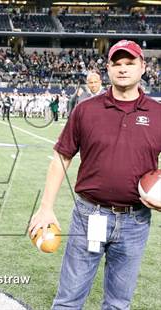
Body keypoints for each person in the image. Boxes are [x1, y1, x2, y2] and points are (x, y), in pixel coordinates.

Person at [29, 40, 161, 309]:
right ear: (108, 69)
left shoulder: (159, 114)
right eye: (117, 63)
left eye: (130, 63)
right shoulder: (86, 110)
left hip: (135, 222)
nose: (123, 69)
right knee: (68, 299)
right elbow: (62, 156)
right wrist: (46, 208)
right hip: (89, 216)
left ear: (143, 67)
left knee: (117, 303)